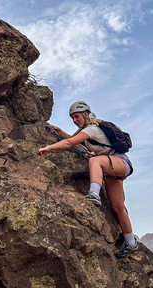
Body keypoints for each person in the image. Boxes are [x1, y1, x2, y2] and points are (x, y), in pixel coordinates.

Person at [38, 101, 138, 258]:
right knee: (118, 208)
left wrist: (48, 148)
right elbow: (72, 140)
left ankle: (94, 194)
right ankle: (131, 243)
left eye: (76, 116)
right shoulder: (85, 130)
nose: (74, 120)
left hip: (120, 162)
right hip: (113, 169)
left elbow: (70, 142)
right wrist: (57, 130)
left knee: (94, 161)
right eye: (72, 118)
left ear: (86, 114)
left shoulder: (92, 128)